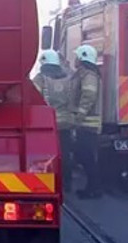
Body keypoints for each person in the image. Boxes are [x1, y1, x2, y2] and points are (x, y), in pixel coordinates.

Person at [33, 49, 75, 192]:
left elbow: (33, 98)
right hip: (66, 123)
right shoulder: (68, 79)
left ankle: (50, 182)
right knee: (65, 154)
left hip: (48, 124)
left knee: (47, 155)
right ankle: (67, 183)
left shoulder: (40, 79)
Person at [69, 44, 103, 199]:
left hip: (87, 124)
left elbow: (88, 96)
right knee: (85, 156)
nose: (75, 59)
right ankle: (92, 188)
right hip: (85, 124)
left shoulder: (88, 75)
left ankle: (94, 189)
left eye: (77, 56)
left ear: (82, 57)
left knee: (87, 157)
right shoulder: (83, 74)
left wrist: (79, 117)